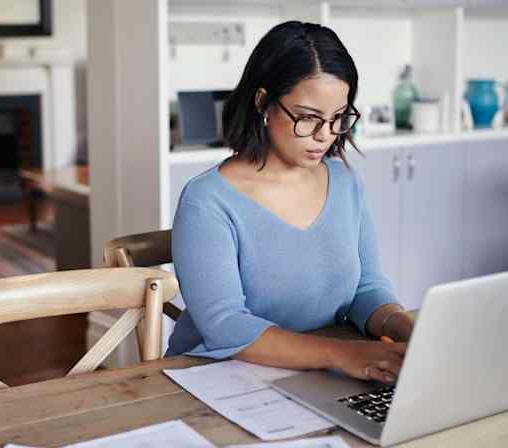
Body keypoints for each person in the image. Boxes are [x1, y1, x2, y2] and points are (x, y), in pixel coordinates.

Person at [166, 21, 413, 384]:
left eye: (337, 118)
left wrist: (406, 327)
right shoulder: (207, 201)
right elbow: (225, 325)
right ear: (263, 102)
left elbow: (366, 288)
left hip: (316, 375)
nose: (325, 136)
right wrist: (342, 354)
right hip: (214, 379)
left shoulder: (345, 183)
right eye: (308, 118)